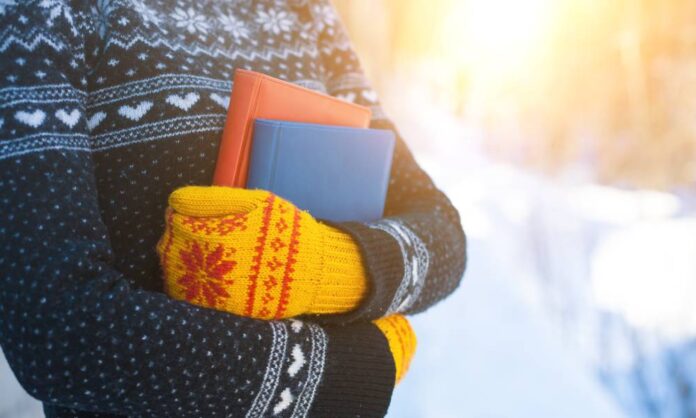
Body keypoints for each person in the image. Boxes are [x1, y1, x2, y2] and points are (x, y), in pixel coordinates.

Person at [0, 0, 467, 416]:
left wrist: (320, 266)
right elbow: (54, 327)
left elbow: (441, 230)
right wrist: (350, 369)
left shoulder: (306, 11)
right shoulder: (44, 11)